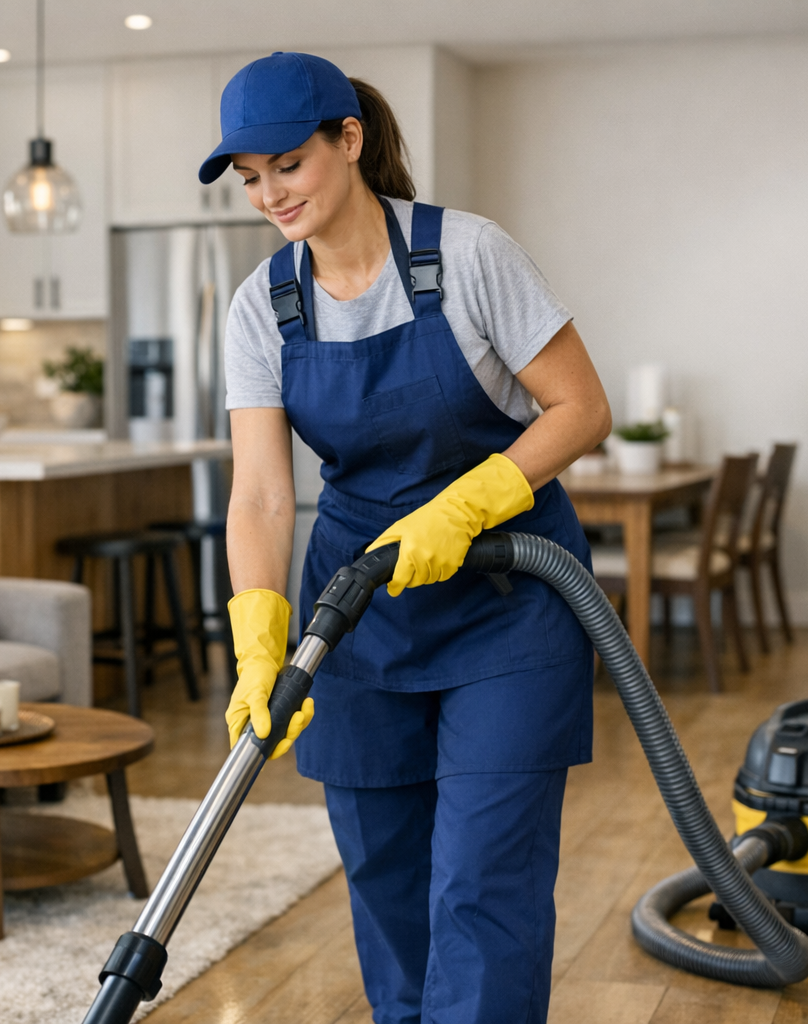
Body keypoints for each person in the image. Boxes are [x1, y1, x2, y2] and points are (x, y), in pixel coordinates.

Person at [203, 52, 613, 1024]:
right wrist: (258, 636)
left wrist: (469, 505)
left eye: (287, 165)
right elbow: (261, 494)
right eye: (250, 178)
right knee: (385, 878)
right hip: (360, 612)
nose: (270, 195)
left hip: (508, 605)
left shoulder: (467, 255)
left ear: (349, 141)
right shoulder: (262, 306)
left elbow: (582, 408)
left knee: (480, 879)